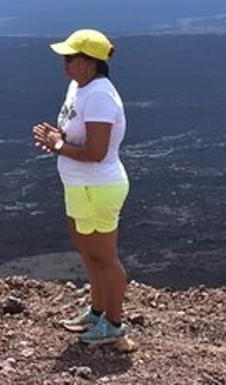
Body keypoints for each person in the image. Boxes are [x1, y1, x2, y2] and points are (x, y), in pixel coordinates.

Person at [33, 28, 130, 346]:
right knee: (89, 252)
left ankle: (114, 324)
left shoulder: (100, 95)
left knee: (105, 257)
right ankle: (97, 311)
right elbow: (74, 134)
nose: (65, 65)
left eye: (70, 58)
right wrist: (56, 137)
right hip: (80, 186)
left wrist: (59, 145)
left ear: (89, 62)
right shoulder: (79, 88)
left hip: (98, 187)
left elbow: (96, 152)